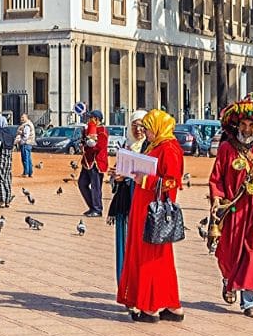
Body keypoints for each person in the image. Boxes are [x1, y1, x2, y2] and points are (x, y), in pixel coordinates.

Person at [208, 94, 253, 319]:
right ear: (237, 125)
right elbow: (216, 178)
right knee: (229, 254)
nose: (247, 129)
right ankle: (228, 281)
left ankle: (251, 301)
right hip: (232, 209)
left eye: (251, 125)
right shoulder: (226, 149)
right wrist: (218, 199)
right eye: (243, 124)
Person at [116, 109, 184, 323]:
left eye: (148, 127)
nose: (144, 131)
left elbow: (173, 181)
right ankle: (172, 306)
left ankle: (150, 307)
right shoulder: (156, 146)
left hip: (154, 211)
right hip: (144, 207)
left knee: (151, 258)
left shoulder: (169, 149)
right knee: (158, 258)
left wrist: (144, 181)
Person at [107, 110, 147, 288]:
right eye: (134, 125)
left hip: (141, 203)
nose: (138, 129)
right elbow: (118, 174)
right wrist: (116, 177)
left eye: (142, 125)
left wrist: (129, 177)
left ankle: (139, 286)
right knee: (124, 244)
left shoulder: (149, 147)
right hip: (124, 202)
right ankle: (124, 286)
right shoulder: (125, 146)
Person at [78, 110, 109, 217]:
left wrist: (89, 144)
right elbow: (84, 141)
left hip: (96, 162)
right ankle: (92, 206)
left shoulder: (102, 131)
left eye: (91, 118)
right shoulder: (87, 129)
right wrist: (83, 143)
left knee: (96, 187)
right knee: (82, 184)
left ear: (96, 119)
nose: (89, 120)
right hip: (87, 161)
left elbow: (99, 146)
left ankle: (97, 209)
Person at [17, 113, 35, 178]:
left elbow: (26, 136)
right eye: (21, 117)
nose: (21, 119)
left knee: (25, 158)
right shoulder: (29, 124)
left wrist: (21, 142)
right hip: (29, 143)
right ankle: (30, 172)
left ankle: (26, 173)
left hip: (26, 143)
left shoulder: (27, 125)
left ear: (26, 118)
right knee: (28, 158)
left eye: (23, 117)